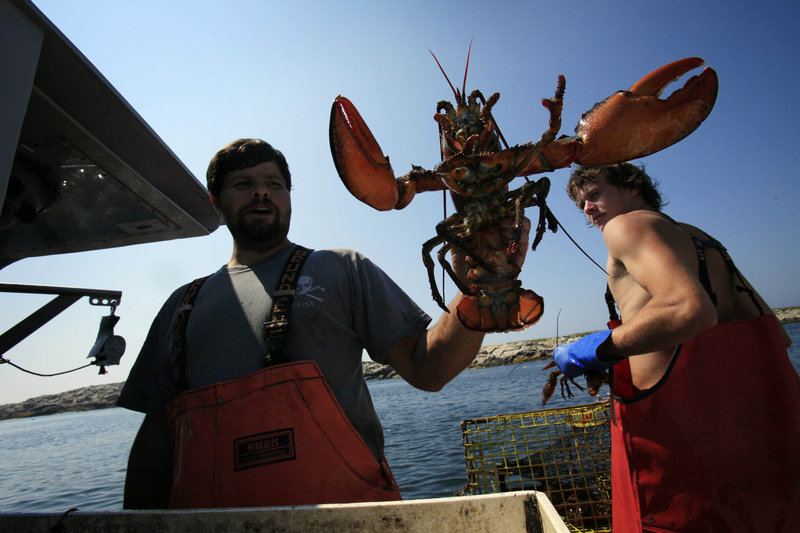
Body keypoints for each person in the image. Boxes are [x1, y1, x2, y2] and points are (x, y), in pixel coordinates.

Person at [117, 138, 531, 509]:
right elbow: (155, 440)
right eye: (243, 184)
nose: (262, 191)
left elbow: (430, 368)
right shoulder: (180, 306)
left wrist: (478, 286)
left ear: (290, 198)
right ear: (216, 202)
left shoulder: (341, 268)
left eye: (274, 184)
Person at [552, 162, 800, 532]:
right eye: (580, 204)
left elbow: (688, 309)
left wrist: (595, 350)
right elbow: (775, 336)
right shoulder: (702, 239)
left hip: (670, 442)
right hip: (747, 438)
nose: (587, 208)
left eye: (595, 194)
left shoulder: (626, 226)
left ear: (632, 187)